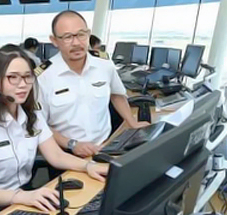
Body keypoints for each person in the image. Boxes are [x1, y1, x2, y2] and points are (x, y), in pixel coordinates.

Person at [0, 44, 108, 211]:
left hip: (26, 197)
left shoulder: (31, 116)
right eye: (12, 77)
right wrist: (22, 197)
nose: (23, 84)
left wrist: (88, 166)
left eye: (27, 76)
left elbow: (56, 155)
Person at [37, 10, 149, 158]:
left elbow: (117, 94)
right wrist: (72, 144)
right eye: (68, 37)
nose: (76, 43)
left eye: (81, 34)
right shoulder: (43, 77)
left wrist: (132, 122)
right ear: (54, 40)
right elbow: (39, 124)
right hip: (66, 153)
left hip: (106, 146)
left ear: (89, 34)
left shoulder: (104, 64)